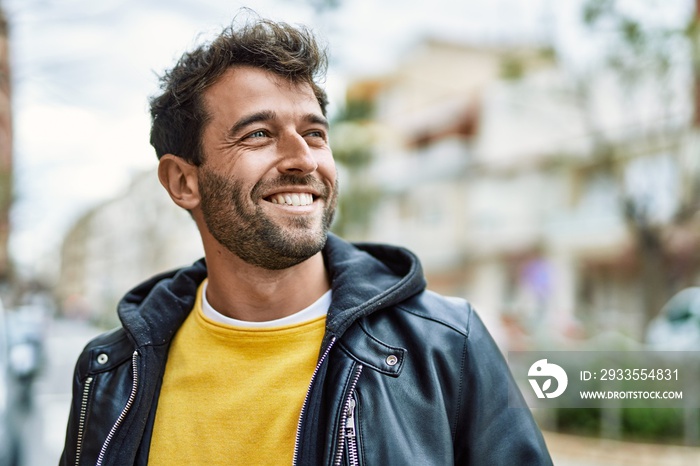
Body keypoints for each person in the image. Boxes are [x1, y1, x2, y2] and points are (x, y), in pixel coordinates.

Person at [60, 15, 553, 466]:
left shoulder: (448, 344)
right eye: (258, 134)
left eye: (315, 134)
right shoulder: (110, 371)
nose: (304, 159)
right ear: (183, 182)